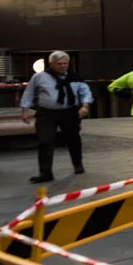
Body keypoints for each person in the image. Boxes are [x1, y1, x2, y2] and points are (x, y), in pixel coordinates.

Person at [20, 50, 92, 184]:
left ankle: (78, 164)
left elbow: (85, 92)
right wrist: (25, 110)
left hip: (69, 112)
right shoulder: (40, 77)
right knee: (45, 141)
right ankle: (45, 172)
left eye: (65, 63)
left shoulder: (75, 77)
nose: (62, 66)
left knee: (73, 140)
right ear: (51, 64)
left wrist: (85, 106)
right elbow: (29, 93)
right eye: (59, 64)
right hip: (46, 113)